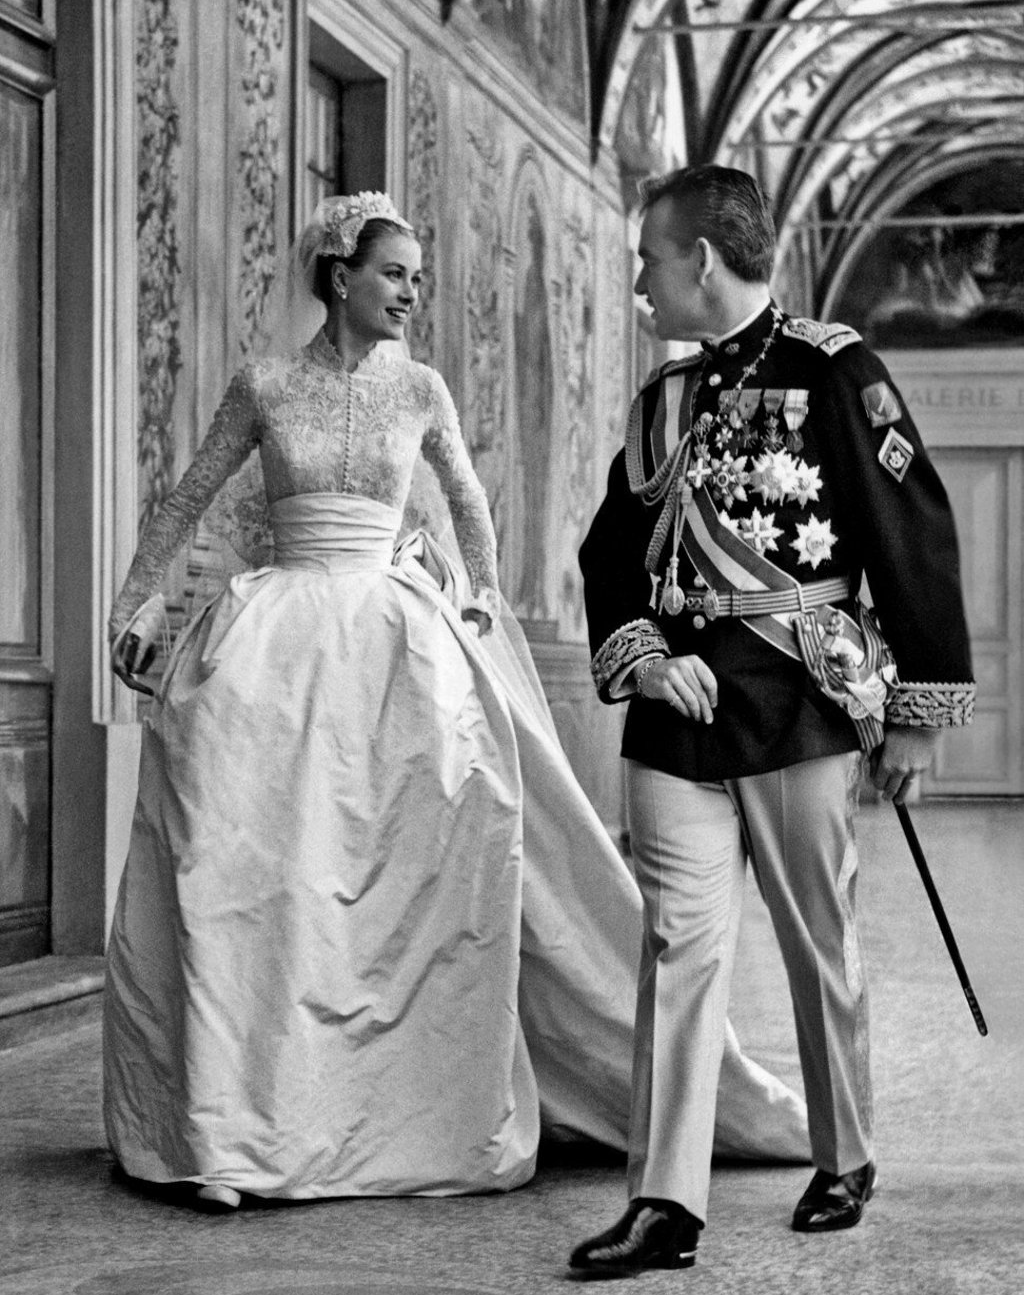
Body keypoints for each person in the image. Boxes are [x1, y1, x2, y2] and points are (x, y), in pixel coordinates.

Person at [105, 190, 811, 1212]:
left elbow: (469, 501)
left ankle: (396, 1108)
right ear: (338, 275)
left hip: (395, 636)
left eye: (419, 279)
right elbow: (188, 494)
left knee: (408, 861)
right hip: (277, 637)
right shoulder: (262, 384)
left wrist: (478, 598)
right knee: (253, 863)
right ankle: (236, 1118)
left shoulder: (421, 387)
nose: (410, 293)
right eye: (394, 274)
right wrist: (137, 601)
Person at [570, 165, 975, 1275]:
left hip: (798, 699)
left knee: (818, 939)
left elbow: (912, 529)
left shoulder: (832, 370)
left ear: (701, 257)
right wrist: (643, 655)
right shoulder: (660, 399)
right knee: (674, 946)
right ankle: (664, 1200)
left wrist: (920, 713)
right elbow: (613, 550)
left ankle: (844, 1153)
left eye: (650, 256)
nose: (640, 279)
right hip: (678, 713)